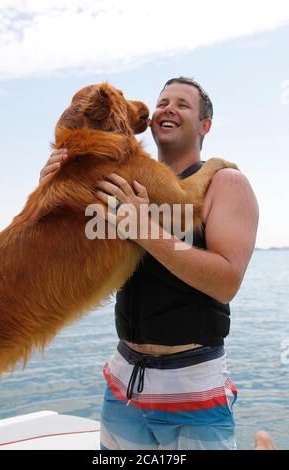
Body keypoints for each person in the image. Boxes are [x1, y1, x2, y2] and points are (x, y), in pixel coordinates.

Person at [39, 77, 259, 450]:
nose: (167, 108)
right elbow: (77, 280)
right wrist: (52, 198)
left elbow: (227, 283)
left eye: (182, 104)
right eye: (162, 102)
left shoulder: (226, 182)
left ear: (204, 125)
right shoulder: (114, 183)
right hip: (123, 382)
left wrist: (145, 229)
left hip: (192, 385)